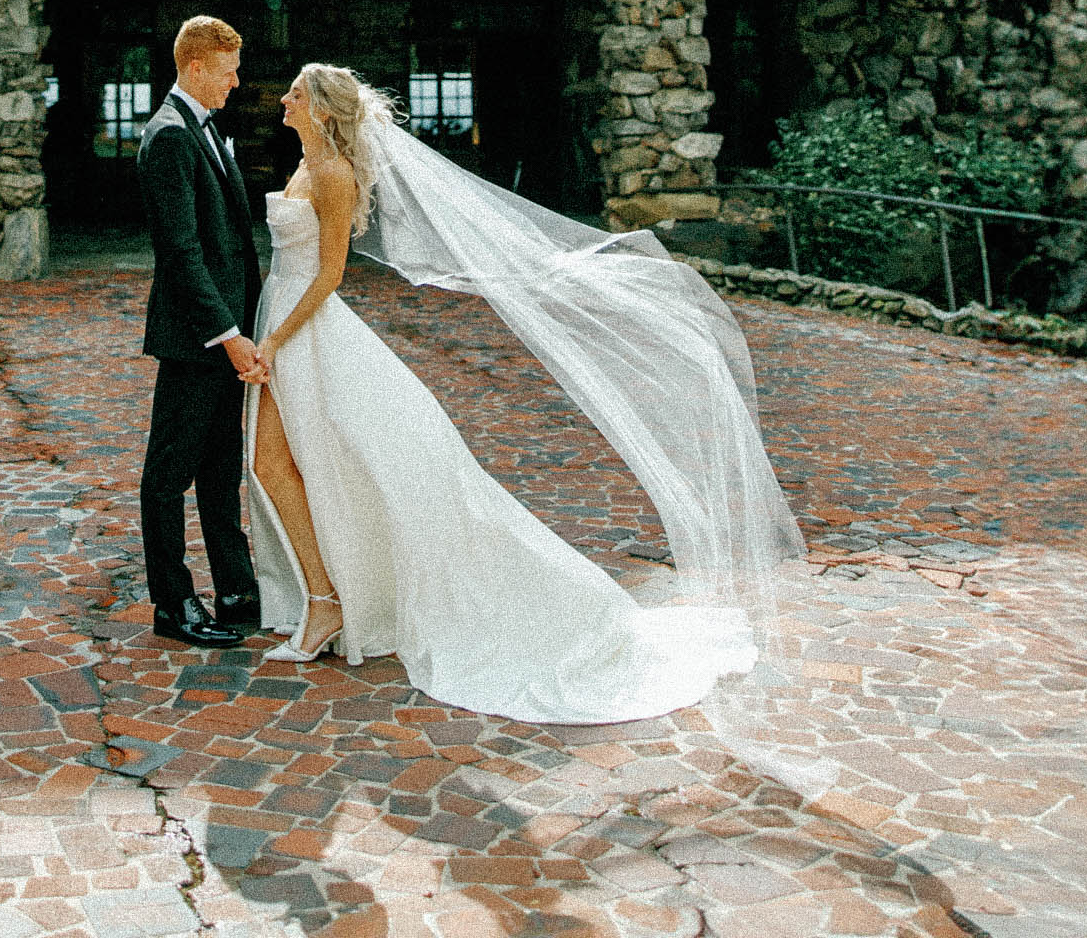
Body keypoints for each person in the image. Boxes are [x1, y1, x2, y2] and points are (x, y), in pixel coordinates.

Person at [241, 62, 804, 724]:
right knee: (277, 464)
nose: (283, 99)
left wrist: (275, 342)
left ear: (324, 109)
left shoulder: (333, 176)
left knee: (334, 467)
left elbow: (330, 273)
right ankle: (326, 597)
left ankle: (329, 604)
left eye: (296, 94)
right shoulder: (305, 165)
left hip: (308, 334)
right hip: (282, 326)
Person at [135, 15, 264, 649]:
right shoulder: (169, 138)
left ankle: (236, 589)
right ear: (193, 67)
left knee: (220, 471)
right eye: (227, 71)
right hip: (197, 341)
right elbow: (181, 254)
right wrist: (229, 335)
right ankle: (173, 603)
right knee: (168, 474)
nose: (236, 82)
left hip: (226, 336)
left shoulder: (204, 129)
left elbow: (230, 244)